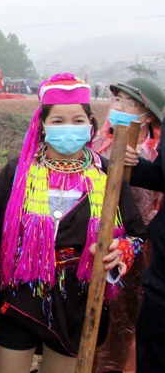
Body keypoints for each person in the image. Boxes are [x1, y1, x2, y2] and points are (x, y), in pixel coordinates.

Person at [0, 73, 146, 372]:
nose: (69, 129)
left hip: (79, 301)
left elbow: (136, 235)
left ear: (90, 124)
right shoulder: (17, 173)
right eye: (58, 121)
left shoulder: (107, 175)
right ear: (42, 125)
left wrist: (122, 250)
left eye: (78, 121)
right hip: (19, 297)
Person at [92, 77, 164, 373]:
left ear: (148, 115)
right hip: (102, 242)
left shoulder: (153, 151)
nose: (119, 107)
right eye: (117, 100)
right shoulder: (100, 145)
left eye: (129, 102)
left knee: (131, 317)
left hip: (143, 249)